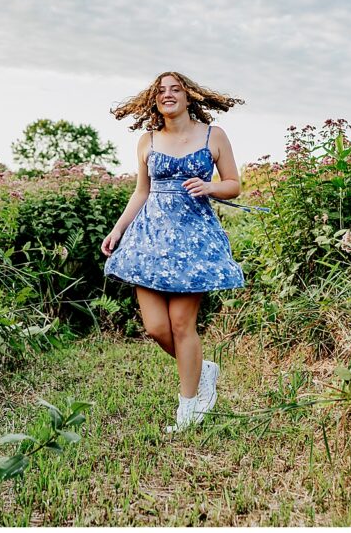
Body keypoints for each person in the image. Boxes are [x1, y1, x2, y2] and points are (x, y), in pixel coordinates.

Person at [101, 71, 246, 433]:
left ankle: (188, 411)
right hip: (148, 242)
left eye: (175, 89)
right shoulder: (147, 141)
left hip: (194, 242)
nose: (168, 94)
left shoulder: (214, 136)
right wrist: (117, 230)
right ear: (155, 100)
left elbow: (234, 185)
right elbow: (141, 192)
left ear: (188, 96)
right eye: (161, 90)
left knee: (183, 326)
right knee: (155, 327)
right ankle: (204, 369)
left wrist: (210, 187)